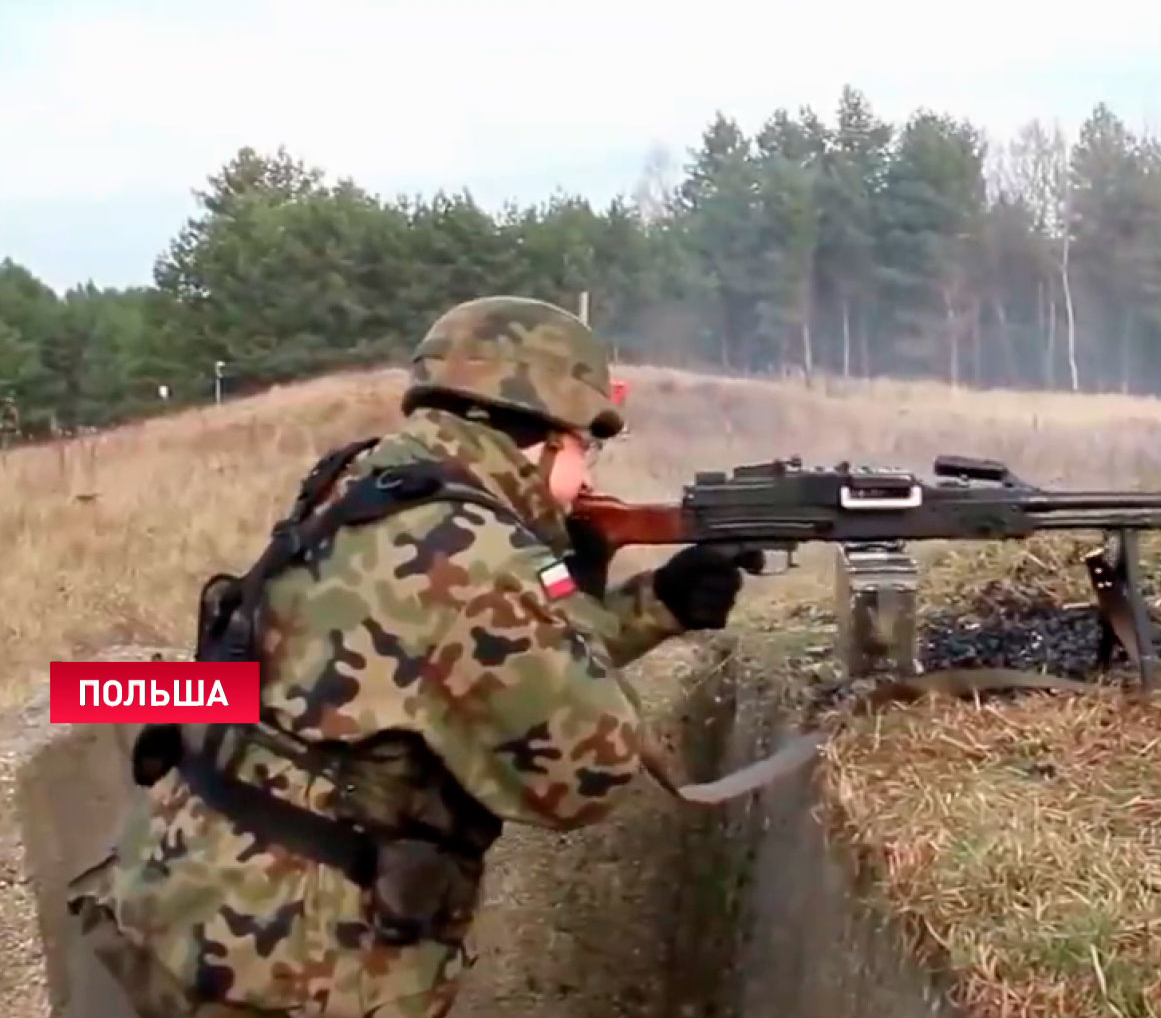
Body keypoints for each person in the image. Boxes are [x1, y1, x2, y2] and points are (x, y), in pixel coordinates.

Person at [66, 295, 752, 1018]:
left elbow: (438, 655)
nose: (588, 473)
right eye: (588, 445)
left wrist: (655, 605)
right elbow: (586, 776)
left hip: (178, 899)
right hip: (292, 964)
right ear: (543, 435)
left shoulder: (367, 476)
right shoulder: (473, 550)